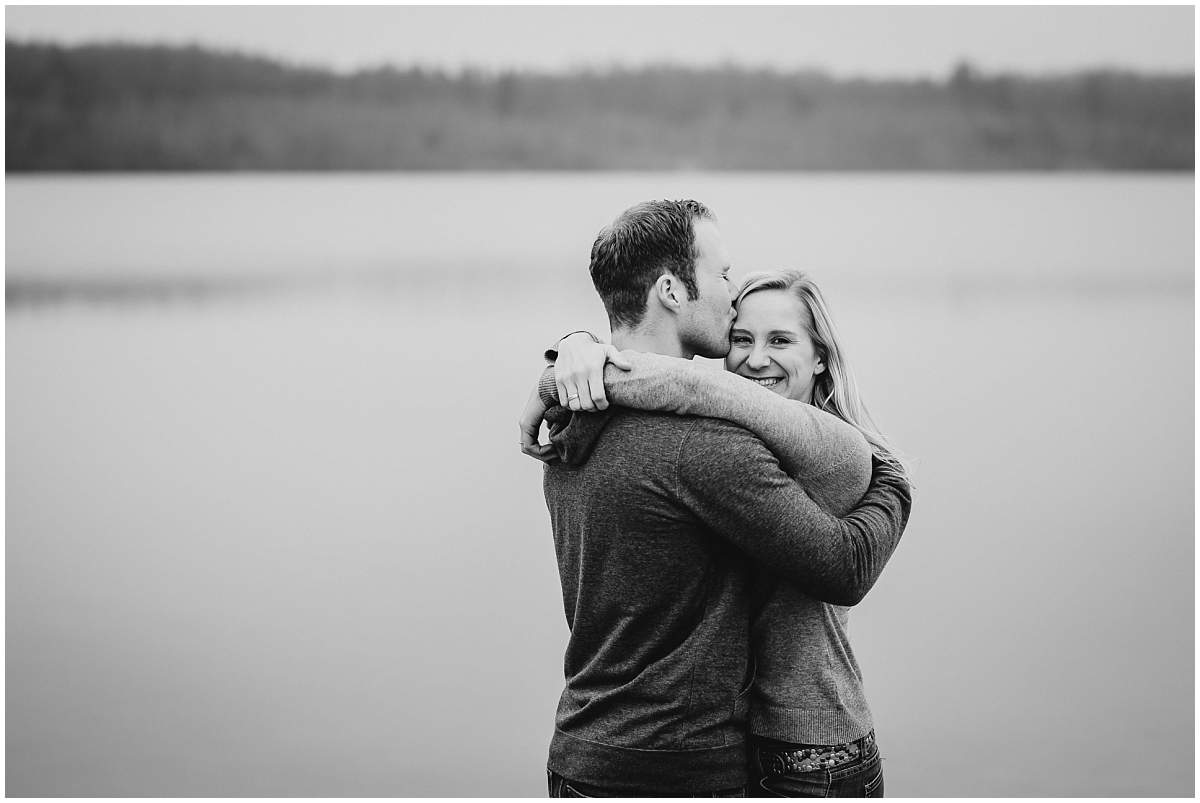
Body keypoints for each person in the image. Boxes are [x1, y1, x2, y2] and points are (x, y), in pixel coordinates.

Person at [518, 199, 911, 797]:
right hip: (680, 765)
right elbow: (844, 565)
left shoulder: (572, 422)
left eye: (781, 339)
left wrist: (569, 359)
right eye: (721, 274)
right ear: (673, 290)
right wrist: (893, 484)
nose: (730, 294)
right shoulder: (709, 449)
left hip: (581, 748)